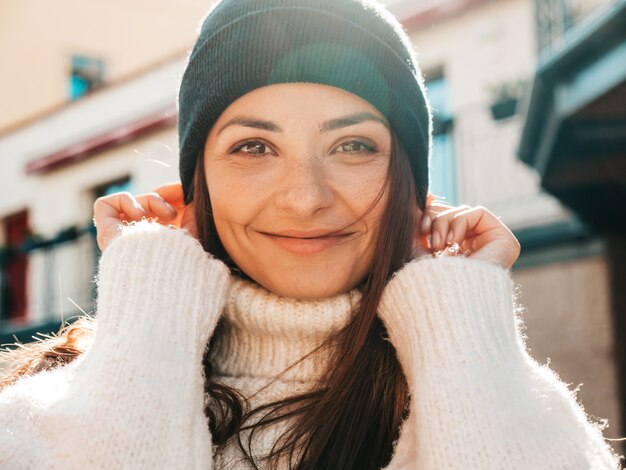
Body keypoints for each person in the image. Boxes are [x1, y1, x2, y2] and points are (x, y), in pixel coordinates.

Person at [0, 0, 623, 468]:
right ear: (197, 188)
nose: (305, 197)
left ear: (412, 186)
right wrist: (151, 306)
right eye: (253, 146)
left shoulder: (495, 391)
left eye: (353, 145)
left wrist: (460, 322)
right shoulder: (40, 411)